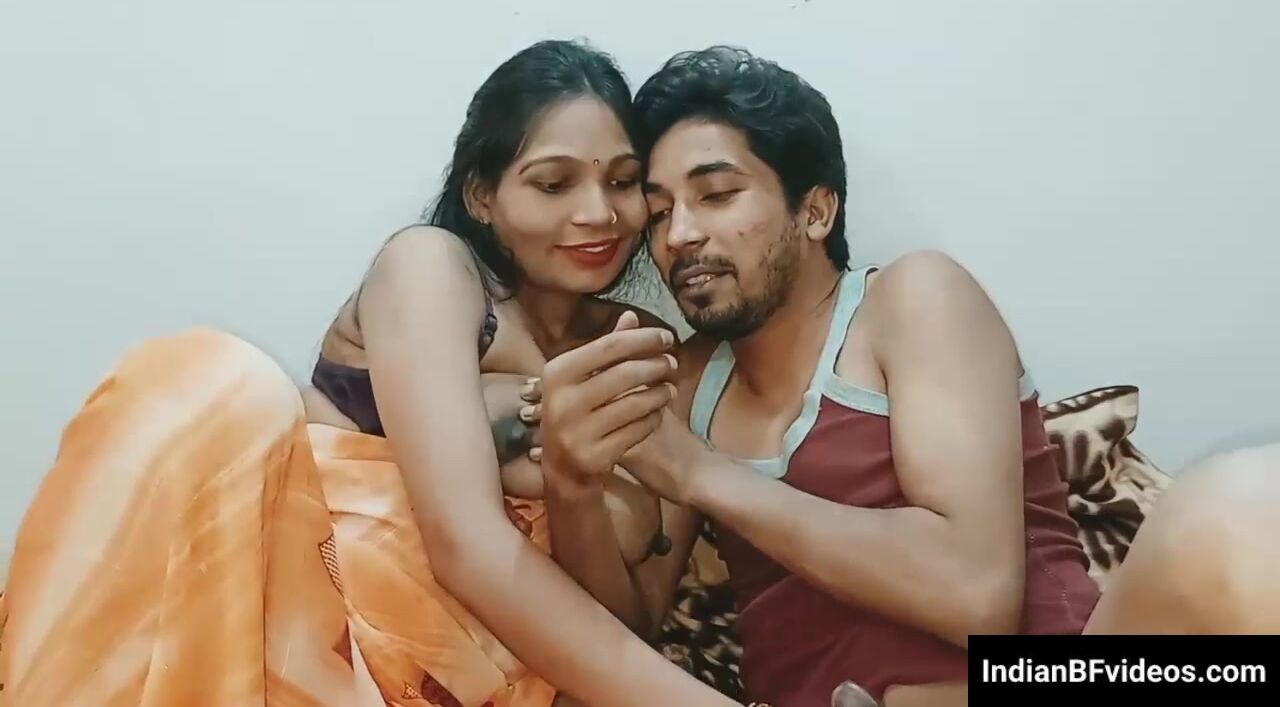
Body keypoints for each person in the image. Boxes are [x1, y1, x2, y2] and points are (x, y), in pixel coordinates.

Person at [531, 46, 1280, 707]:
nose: (681, 234)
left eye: (717, 195)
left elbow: (975, 596)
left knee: (1242, 506)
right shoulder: (684, 378)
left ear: (815, 210)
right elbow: (627, 631)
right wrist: (571, 482)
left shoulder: (911, 302)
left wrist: (702, 475)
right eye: (660, 212)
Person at [0, 40, 739, 707]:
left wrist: (574, 487)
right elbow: (467, 547)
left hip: (492, 675)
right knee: (226, 378)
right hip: (298, 628)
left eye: (623, 182)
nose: (598, 213)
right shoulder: (434, 270)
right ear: (481, 196)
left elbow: (630, 617)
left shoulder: (637, 344)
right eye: (552, 184)